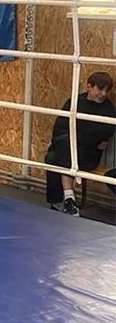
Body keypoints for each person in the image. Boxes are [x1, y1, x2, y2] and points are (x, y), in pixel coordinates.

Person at [44, 71, 115, 216]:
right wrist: (84, 136)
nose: (103, 94)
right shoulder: (75, 102)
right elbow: (60, 128)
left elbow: (102, 135)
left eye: (107, 90)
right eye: (100, 89)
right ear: (89, 87)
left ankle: (65, 200)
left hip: (88, 155)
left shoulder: (109, 109)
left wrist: (77, 135)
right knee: (55, 154)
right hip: (69, 149)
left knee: (56, 155)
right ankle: (65, 200)